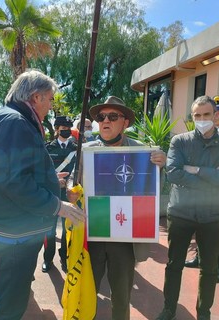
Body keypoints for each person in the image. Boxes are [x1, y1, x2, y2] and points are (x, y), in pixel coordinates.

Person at [0, 69, 85, 320]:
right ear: (36, 97)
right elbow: (14, 182)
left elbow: (14, 173)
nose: (50, 106)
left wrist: (49, 181)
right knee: (10, 307)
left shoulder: (11, 118)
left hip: (10, 230)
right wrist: (58, 206)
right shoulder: (15, 122)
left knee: (11, 297)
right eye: (49, 99)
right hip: (11, 236)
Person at [69, 96, 166, 320]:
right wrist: (72, 194)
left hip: (124, 238)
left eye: (113, 117)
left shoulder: (145, 153)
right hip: (91, 234)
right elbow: (77, 190)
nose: (105, 121)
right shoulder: (86, 151)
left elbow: (151, 190)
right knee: (87, 293)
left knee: (121, 297)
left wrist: (161, 165)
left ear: (125, 123)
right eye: (101, 117)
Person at [156, 95, 219, 320]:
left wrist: (195, 170)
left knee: (209, 268)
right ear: (192, 117)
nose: (202, 119)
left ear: (216, 116)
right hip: (181, 213)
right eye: (197, 115)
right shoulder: (180, 141)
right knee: (174, 265)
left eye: (207, 114)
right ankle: (169, 309)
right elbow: (174, 173)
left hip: (214, 215)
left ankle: (203, 312)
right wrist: (213, 175)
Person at [184, 95, 219, 283]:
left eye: (218, 113)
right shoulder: (207, 134)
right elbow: (189, 167)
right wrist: (208, 172)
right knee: (201, 226)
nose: (215, 117)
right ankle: (200, 257)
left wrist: (199, 171)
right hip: (204, 194)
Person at [42, 115, 77, 273]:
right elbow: (42, 172)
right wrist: (54, 181)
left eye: (69, 129)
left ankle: (65, 256)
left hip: (70, 194)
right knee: (49, 229)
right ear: (56, 130)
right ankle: (47, 259)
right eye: (64, 129)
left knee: (67, 228)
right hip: (52, 194)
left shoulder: (76, 148)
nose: (67, 131)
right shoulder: (47, 148)